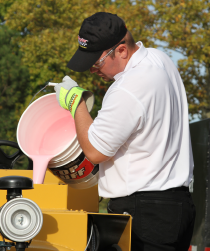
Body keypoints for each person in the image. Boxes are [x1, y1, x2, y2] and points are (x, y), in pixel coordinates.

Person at [54, 12, 196, 251]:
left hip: (145, 212)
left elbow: (96, 152)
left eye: (96, 63)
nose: (92, 71)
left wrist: (76, 104)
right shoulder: (160, 60)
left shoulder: (127, 87)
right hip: (177, 205)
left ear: (121, 50)